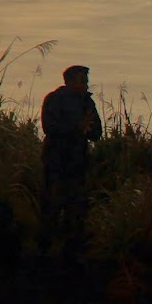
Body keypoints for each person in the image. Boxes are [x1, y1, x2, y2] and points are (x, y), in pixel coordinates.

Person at [39, 64, 103, 260]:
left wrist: (86, 129)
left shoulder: (87, 103)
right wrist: (78, 128)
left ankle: (72, 250)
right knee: (53, 203)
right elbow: (50, 128)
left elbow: (96, 133)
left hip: (78, 162)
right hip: (57, 160)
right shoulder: (54, 100)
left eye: (86, 81)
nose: (86, 85)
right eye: (82, 81)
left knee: (77, 207)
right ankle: (45, 248)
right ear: (70, 81)